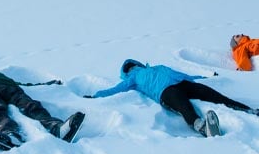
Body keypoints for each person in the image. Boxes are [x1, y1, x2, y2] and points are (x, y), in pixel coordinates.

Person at [84, 59, 258, 137]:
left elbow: (182, 74)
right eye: (128, 67)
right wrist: (95, 96)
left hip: (181, 82)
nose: (131, 68)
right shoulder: (132, 79)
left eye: (131, 64)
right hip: (165, 92)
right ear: (126, 72)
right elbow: (114, 90)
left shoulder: (158, 67)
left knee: (213, 95)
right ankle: (202, 128)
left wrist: (203, 78)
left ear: (137, 63)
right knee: (184, 107)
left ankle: (247, 109)